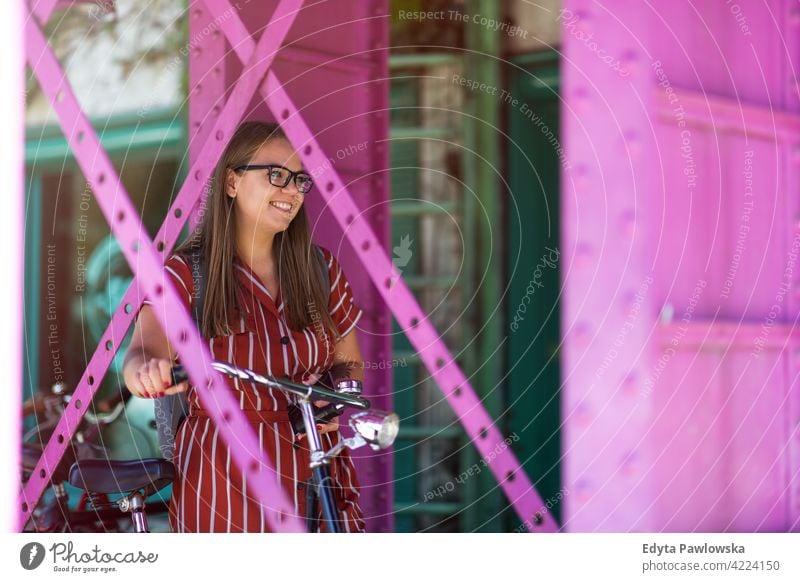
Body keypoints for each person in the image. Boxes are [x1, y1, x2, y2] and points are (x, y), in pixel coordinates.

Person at [122, 121, 366, 532]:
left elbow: (350, 363)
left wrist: (337, 397)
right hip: (222, 474)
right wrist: (147, 372)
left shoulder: (322, 270)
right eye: (277, 175)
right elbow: (139, 355)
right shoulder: (187, 274)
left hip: (317, 465)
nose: (292, 190)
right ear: (232, 182)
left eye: (300, 180)